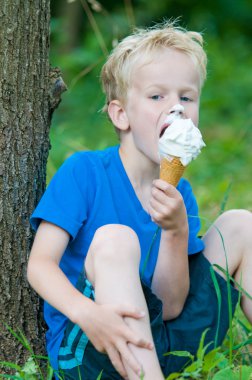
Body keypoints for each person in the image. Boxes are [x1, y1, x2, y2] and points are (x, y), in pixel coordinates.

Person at [27, 20, 252, 380]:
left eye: (186, 97)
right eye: (157, 96)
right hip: (96, 340)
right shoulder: (84, 172)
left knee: (243, 224)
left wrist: (176, 232)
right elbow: (39, 266)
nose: (176, 108)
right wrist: (88, 314)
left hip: (166, 341)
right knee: (117, 238)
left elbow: (172, 305)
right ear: (121, 114)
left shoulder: (181, 194)